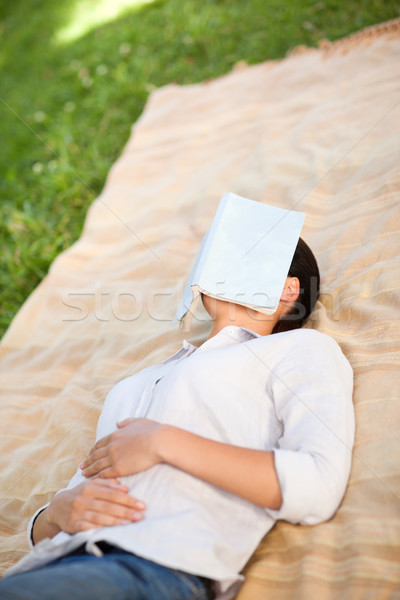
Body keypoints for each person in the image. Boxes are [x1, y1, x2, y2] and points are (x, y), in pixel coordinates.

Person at [0, 238, 355, 600]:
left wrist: (164, 443)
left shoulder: (301, 348)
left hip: (153, 570)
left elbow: (319, 483)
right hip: (52, 563)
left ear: (287, 288)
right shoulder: (139, 382)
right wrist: (52, 514)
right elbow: (81, 485)